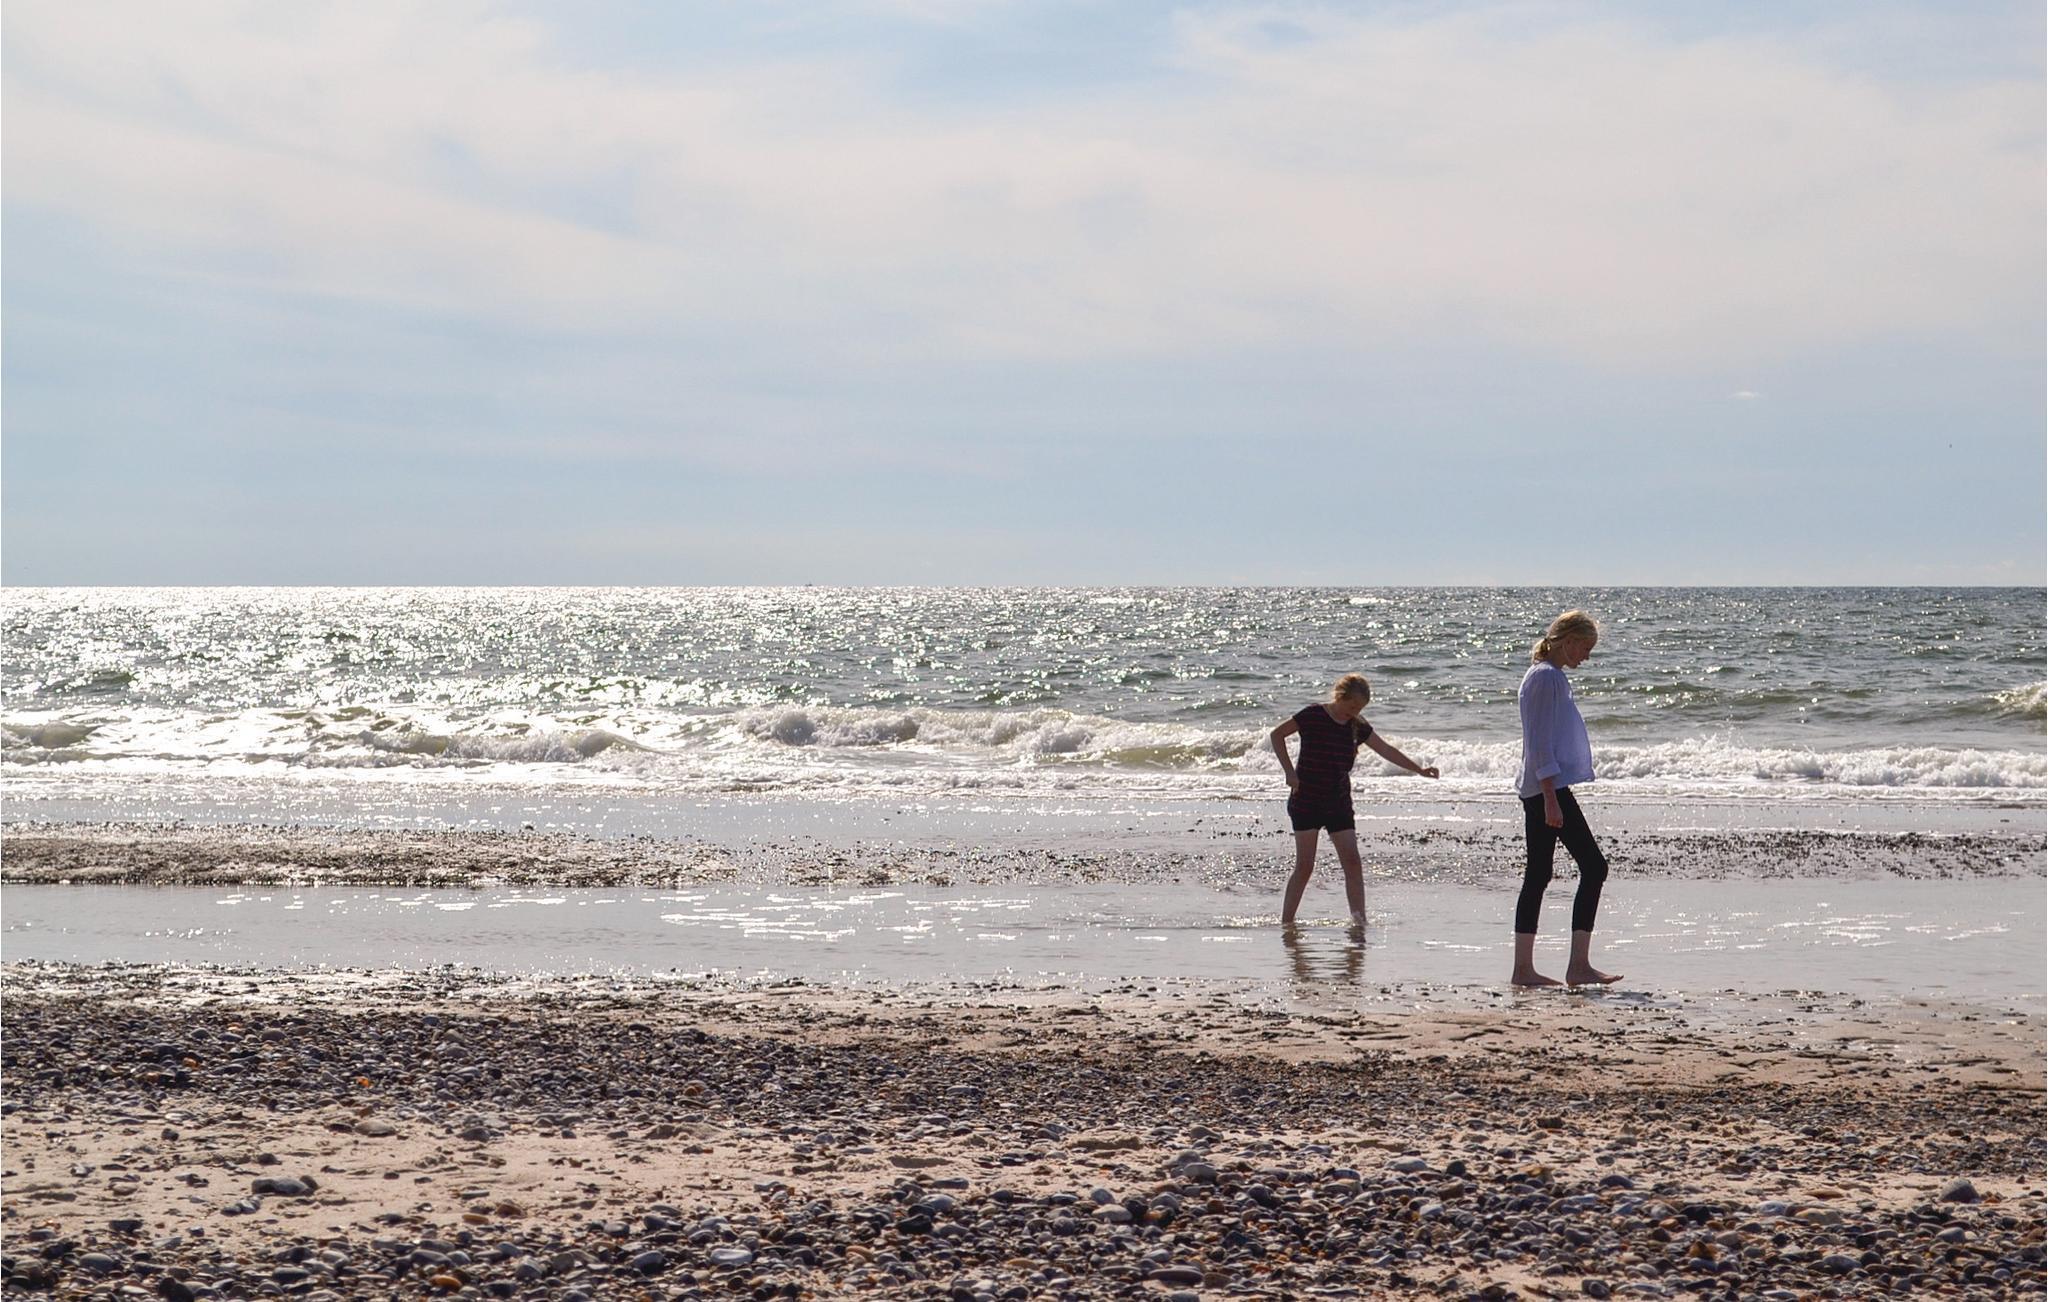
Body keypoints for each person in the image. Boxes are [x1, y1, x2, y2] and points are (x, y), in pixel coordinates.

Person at [1270, 673, 1439, 927]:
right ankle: (1287, 924)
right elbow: (1277, 735)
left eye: (1360, 709)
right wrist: (1289, 772)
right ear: (1340, 696)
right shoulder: (1313, 715)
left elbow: (1386, 750)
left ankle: (1359, 922)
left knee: (1352, 863)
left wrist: (1419, 770)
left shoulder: (1357, 725)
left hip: (1338, 802)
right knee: (1305, 866)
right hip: (1306, 800)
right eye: (1352, 707)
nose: (1355, 712)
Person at [1512, 610, 1622, 987]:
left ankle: (1526, 970)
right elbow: (1540, 742)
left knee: (1539, 874)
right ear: (1569, 641)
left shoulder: (1546, 675)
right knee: (1594, 867)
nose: (1587, 656)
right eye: (1586, 647)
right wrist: (1550, 798)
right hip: (1547, 787)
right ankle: (1576, 966)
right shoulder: (1545, 677)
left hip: (1543, 786)